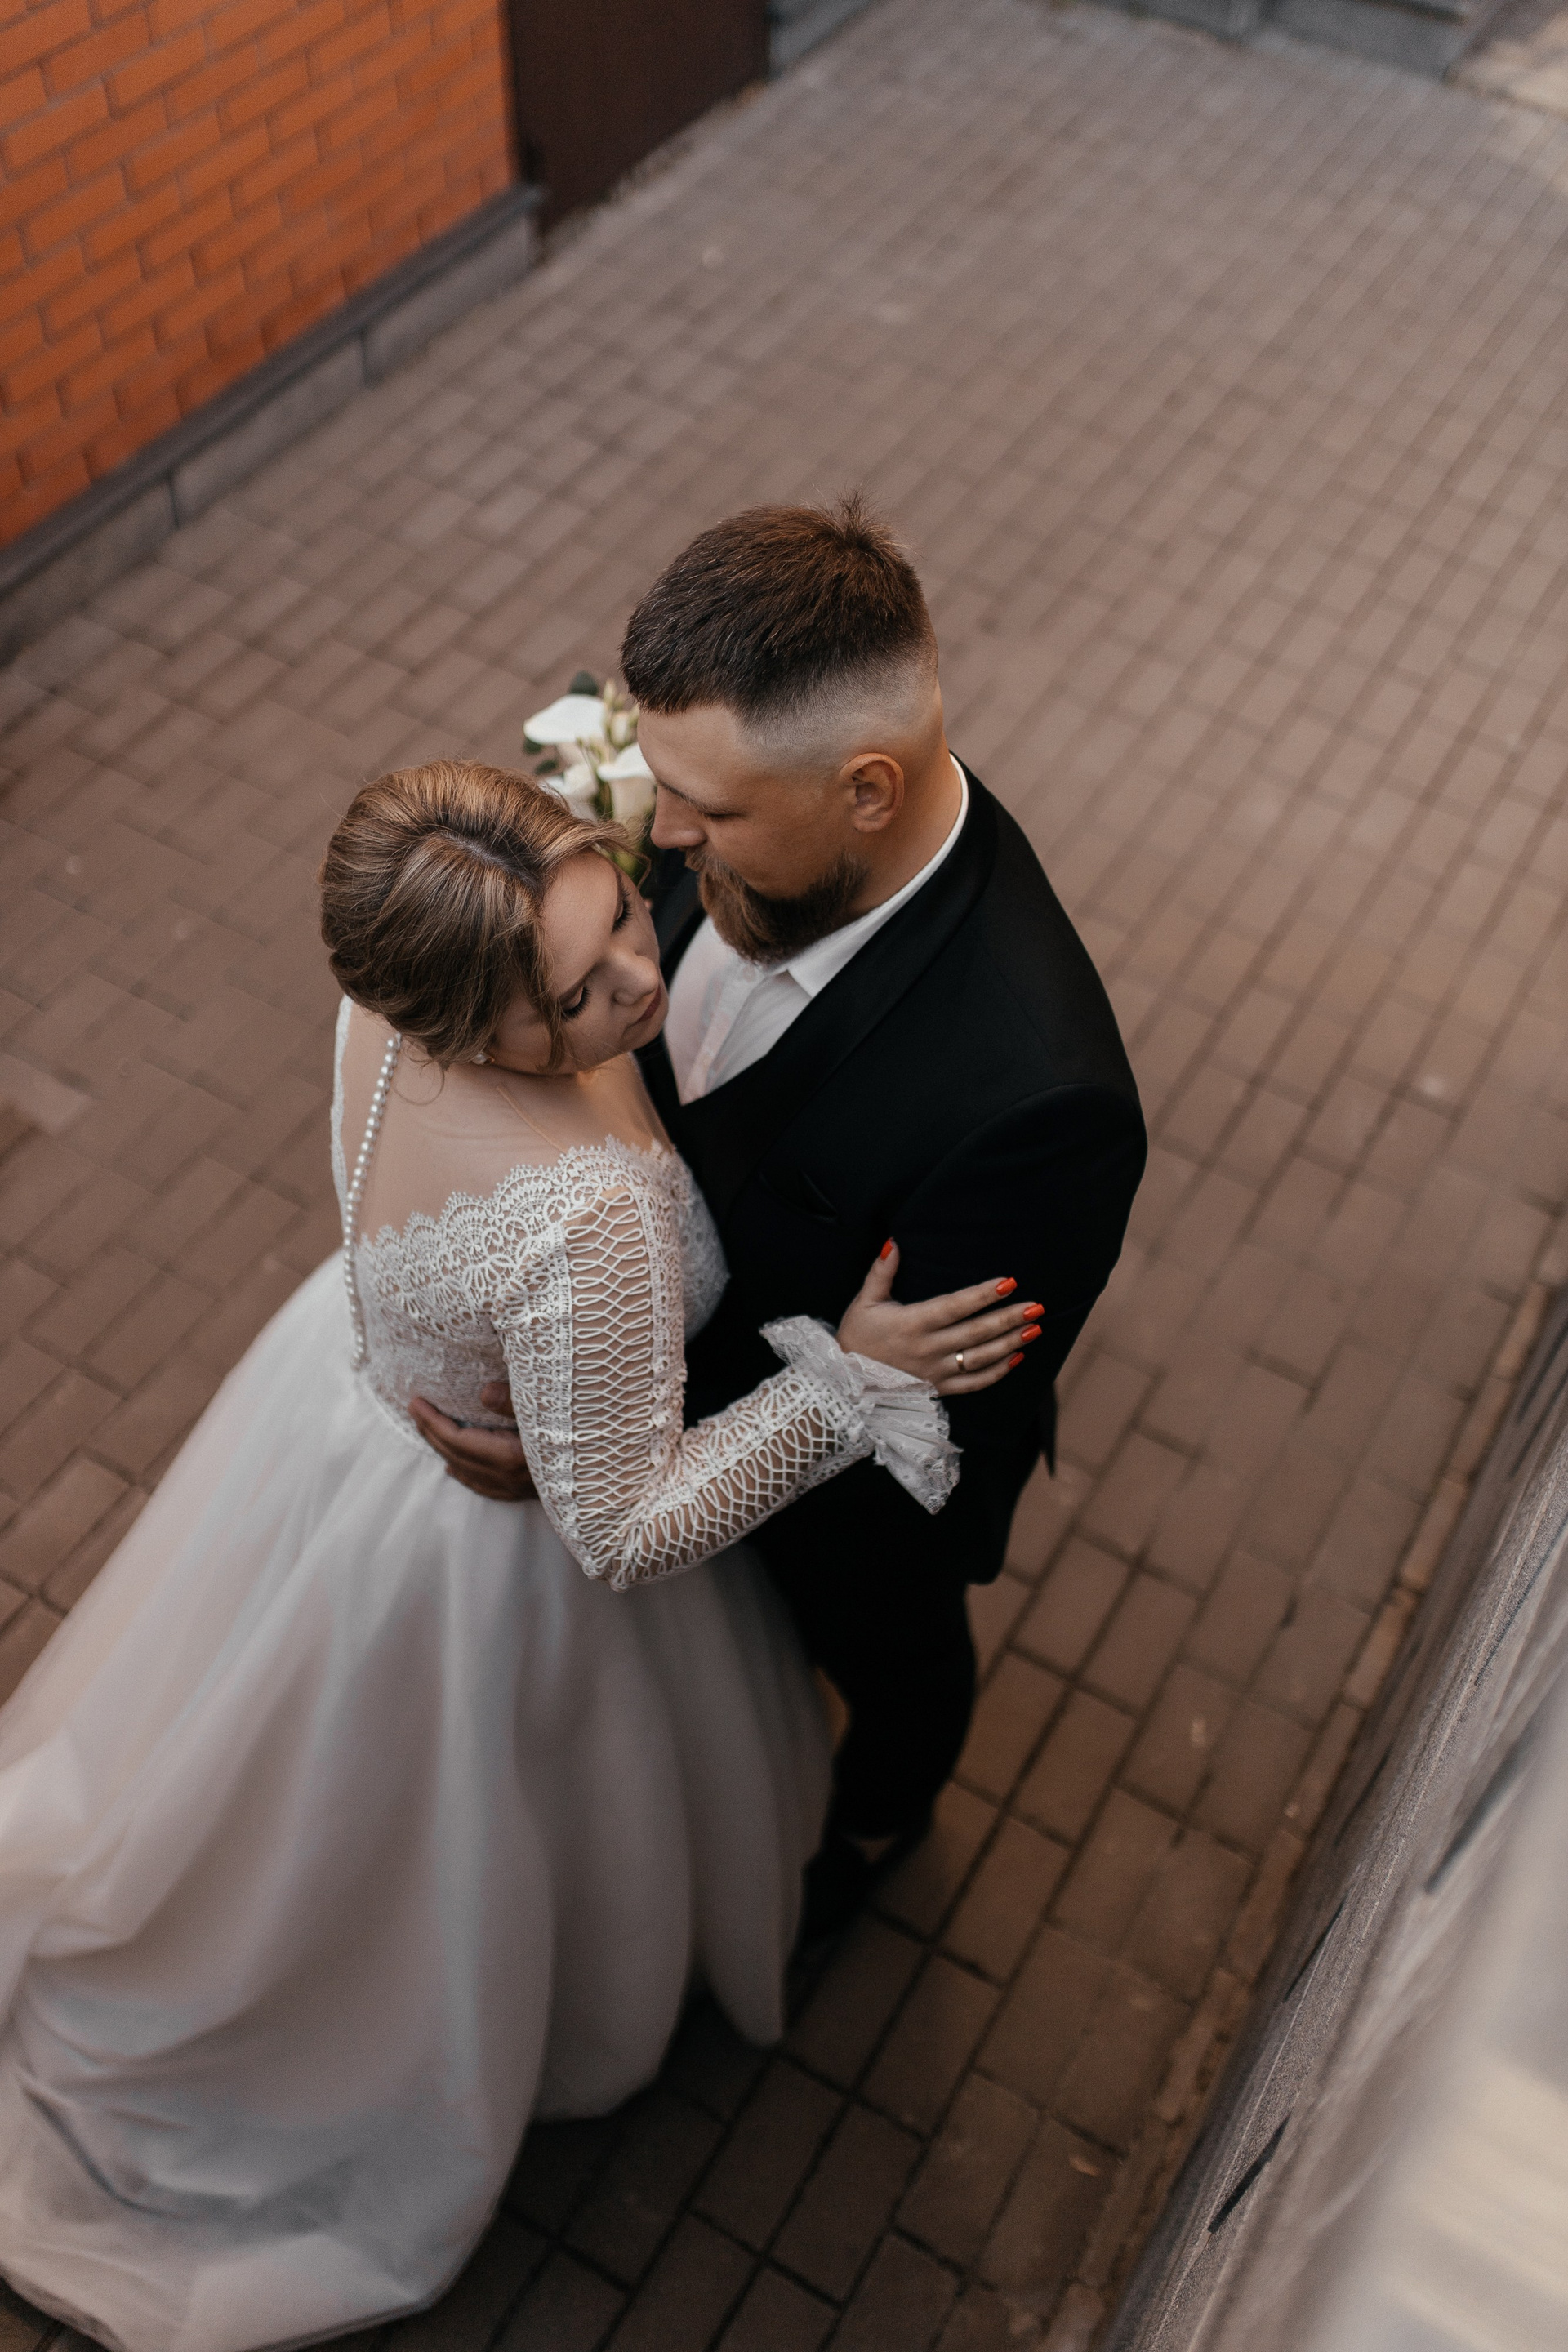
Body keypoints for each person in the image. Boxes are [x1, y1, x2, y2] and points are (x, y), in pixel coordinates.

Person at [0, 759, 1034, 2352]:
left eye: (621, 910)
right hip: (493, 1566)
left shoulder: (383, 997)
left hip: (350, 1426)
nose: (639, 979)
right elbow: (622, 1526)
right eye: (572, 1000)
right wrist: (849, 1381)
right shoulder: (582, 1222)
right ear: (468, 1027)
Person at [417, 497, 1147, 1935]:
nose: (662, 832)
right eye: (659, 779)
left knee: (894, 1661)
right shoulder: (725, 816)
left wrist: (604, 1459)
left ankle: (879, 1815)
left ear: (867, 790)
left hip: (844, 1518)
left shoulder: (1038, 1101)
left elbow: (913, 1422)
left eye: (714, 810)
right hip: (690, 1416)